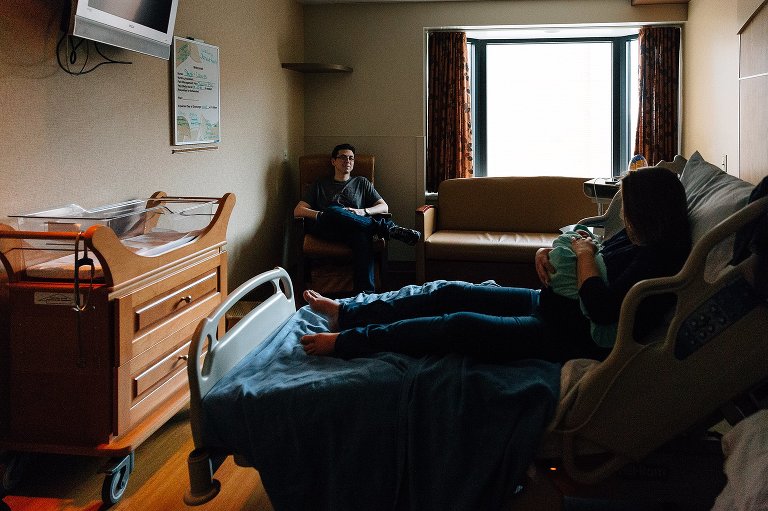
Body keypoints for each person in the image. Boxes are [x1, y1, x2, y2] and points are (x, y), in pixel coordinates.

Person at [300, 166, 691, 363]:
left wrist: (585, 258)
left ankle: (348, 342)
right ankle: (346, 312)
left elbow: (605, 308)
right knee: (453, 291)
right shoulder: (638, 235)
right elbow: (595, 253)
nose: (624, 217)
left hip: (563, 334)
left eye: (629, 209)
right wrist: (549, 255)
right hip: (549, 302)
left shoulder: (659, 259)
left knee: (458, 324)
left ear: (650, 212)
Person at [294, 143, 421, 294]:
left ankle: (365, 295)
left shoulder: (361, 182)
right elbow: (298, 210)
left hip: (354, 229)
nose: (347, 161)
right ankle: (388, 229)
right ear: (333, 161)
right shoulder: (320, 184)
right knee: (334, 210)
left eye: (351, 158)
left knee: (362, 237)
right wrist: (323, 215)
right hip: (326, 229)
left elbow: (383, 207)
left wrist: (362, 211)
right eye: (343, 157)